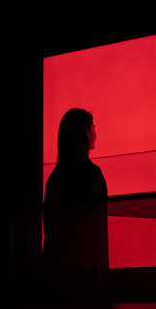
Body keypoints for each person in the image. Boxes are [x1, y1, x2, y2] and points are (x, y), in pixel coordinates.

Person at [42, 108, 109, 299]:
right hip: (85, 275)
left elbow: (51, 229)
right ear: (84, 133)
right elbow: (97, 229)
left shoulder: (54, 178)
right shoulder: (92, 174)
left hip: (55, 275)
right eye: (93, 127)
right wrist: (103, 274)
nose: (95, 132)